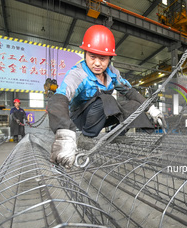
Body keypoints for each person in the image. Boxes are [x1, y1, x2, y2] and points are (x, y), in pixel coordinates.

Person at [48, 25, 164, 168]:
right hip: (82, 118)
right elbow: (59, 98)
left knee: (134, 105)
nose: (97, 63)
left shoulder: (112, 73)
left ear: (110, 58)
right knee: (107, 99)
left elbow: (130, 92)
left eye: (102, 58)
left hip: (101, 114)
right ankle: (86, 137)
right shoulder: (78, 75)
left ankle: (118, 135)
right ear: (85, 54)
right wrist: (64, 133)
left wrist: (151, 109)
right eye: (92, 57)